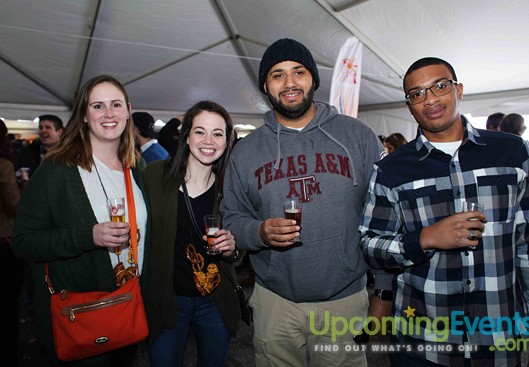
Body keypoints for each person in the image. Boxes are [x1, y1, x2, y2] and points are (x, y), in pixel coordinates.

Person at [360, 57, 529, 367]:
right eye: (417, 93)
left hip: (498, 337)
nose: (430, 98)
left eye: (440, 86)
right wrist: (425, 239)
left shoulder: (514, 152)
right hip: (422, 340)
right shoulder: (390, 170)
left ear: (458, 89)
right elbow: (370, 245)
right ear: (409, 105)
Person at [220, 38, 386, 366]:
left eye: (299, 72)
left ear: (313, 79)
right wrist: (259, 232)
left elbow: (384, 215)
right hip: (274, 302)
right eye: (277, 75)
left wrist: (384, 290)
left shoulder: (357, 136)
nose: (290, 82)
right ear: (265, 86)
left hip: (345, 296)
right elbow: (231, 219)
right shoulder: (246, 151)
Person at [12, 74, 149, 367]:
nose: (109, 114)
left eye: (115, 104)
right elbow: (23, 243)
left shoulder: (135, 167)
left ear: (128, 110)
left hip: (128, 306)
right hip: (82, 316)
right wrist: (89, 236)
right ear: (84, 116)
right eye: (97, 106)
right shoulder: (57, 170)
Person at [142, 100, 241, 367]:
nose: (208, 140)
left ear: (226, 141)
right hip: (167, 297)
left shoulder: (231, 187)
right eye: (200, 131)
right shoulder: (154, 176)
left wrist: (233, 250)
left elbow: (240, 244)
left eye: (217, 133)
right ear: (186, 136)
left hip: (214, 301)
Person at [0, 118, 28, 366]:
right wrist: (25, 186)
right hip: (4, 240)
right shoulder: (4, 166)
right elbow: (14, 205)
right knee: (8, 302)